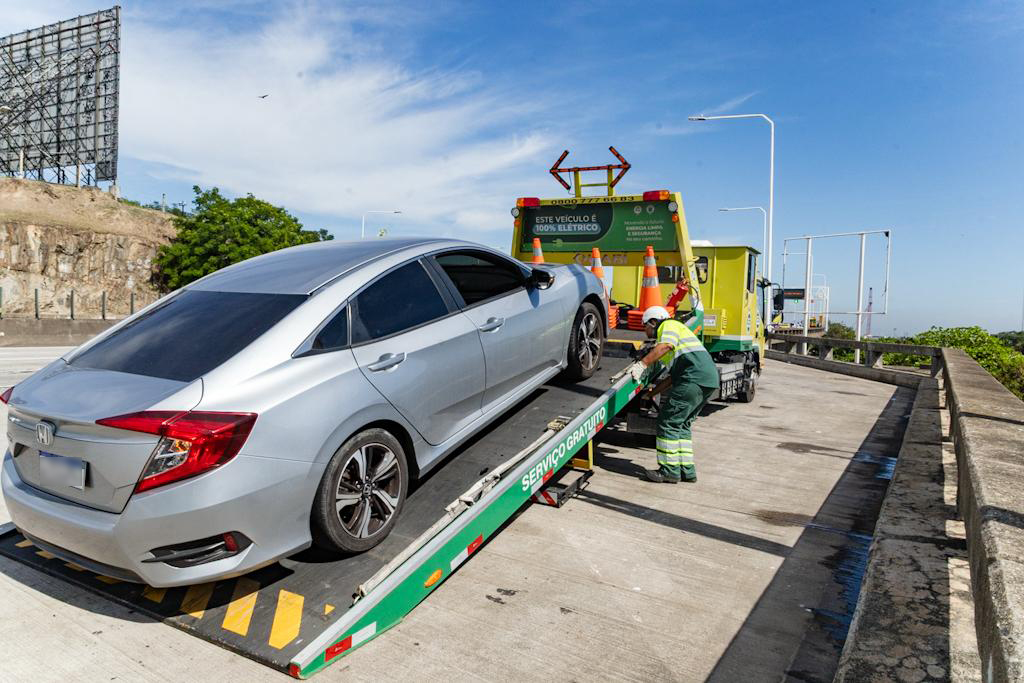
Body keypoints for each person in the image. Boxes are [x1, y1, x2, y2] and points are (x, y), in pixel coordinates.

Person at [625, 306, 719, 483]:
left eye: (645, 326)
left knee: (667, 422)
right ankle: (687, 471)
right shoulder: (678, 337)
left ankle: (668, 471)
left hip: (692, 378)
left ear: (654, 322)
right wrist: (652, 393)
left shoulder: (668, 327)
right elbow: (672, 378)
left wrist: (642, 364)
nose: (645, 331)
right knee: (681, 425)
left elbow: (665, 346)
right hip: (705, 380)